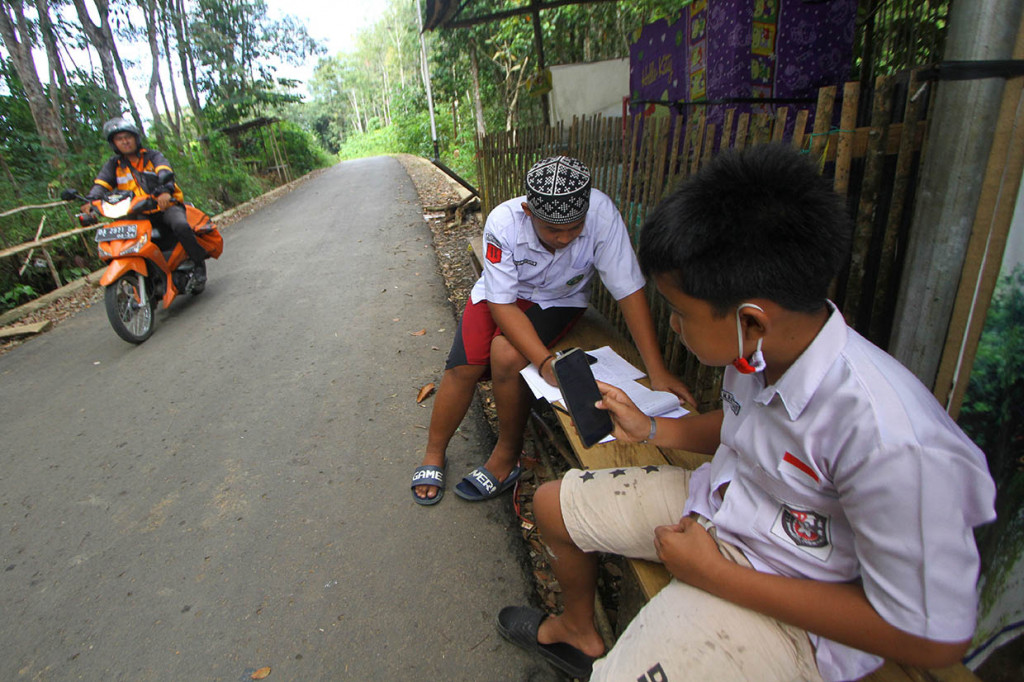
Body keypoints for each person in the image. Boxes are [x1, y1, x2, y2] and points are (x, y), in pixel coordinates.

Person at [496, 143, 997, 681]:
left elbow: (933, 637)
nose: (673, 329)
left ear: (752, 320)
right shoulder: (760, 351)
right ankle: (578, 630)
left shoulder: (892, 441)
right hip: (722, 502)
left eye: (681, 315)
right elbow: (746, 426)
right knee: (552, 506)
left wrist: (716, 575)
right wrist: (654, 427)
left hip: (792, 599)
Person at [411, 155, 693, 505]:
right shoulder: (504, 222)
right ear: (529, 213)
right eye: (553, 230)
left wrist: (658, 370)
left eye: (575, 228)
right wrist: (546, 363)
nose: (565, 238)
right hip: (504, 296)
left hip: (560, 299)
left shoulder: (602, 216)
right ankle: (434, 452)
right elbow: (501, 303)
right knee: (463, 366)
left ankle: (507, 454)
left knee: (506, 353)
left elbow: (629, 291)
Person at [84, 117, 208, 286]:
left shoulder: (153, 156)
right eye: (119, 139)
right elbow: (100, 186)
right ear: (114, 143)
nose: (125, 141)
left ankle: (198, 263)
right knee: (119, 240)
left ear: (136, 138)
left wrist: (165, 191)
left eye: (128, 137)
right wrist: (90, 203)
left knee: (181, 225)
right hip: (136, 212)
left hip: (163, 207)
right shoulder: (113, 165)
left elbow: (165, 171)